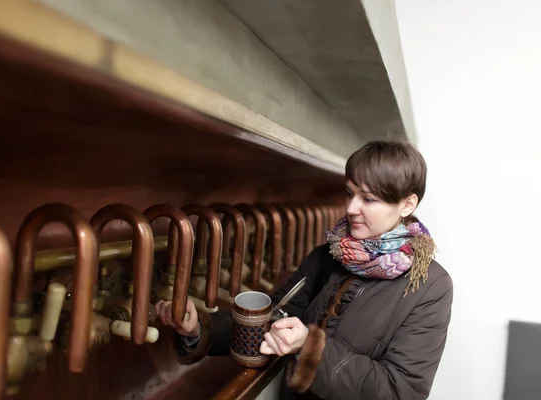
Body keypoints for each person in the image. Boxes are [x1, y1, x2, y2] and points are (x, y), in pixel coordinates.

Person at [155, 140, 453, 400]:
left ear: (407, 204)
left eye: (368, 199)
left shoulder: (430, 286)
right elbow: (275, 318)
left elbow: (402, 390)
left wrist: (309, 349)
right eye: (350, 194)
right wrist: (199, 329)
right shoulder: (328, 256)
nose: (350, 208)